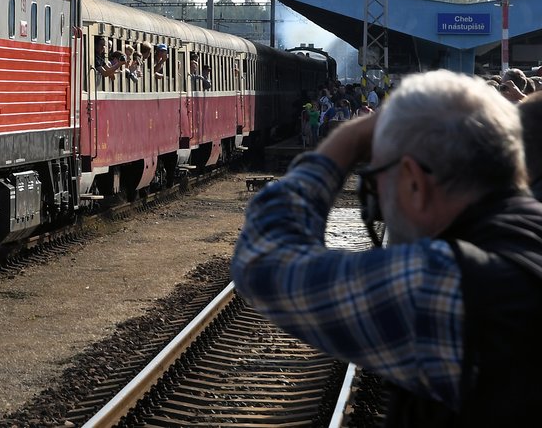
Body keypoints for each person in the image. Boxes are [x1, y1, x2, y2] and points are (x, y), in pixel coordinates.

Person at [232, 70, 542, 424]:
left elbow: (263, 261)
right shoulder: (526, 235)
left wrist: (344, 143)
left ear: (413, 181)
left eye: (378, 182)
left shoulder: (448, 283)